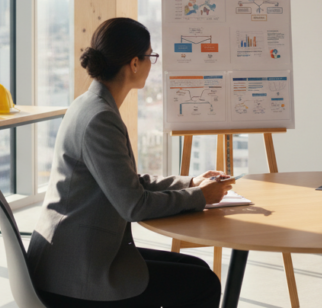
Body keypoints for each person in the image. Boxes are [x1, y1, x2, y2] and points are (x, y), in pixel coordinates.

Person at [28, 17, 231, 308]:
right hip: (76, 275)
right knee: (204, 284)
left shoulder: (89, 104)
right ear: (135, 63)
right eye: (151, 56)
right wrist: (199, 196)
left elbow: (127, 183)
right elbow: (134, 206)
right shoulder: (100, 118)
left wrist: (191, 182)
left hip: (76, 256)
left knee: (198, 269)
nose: (151, 64)